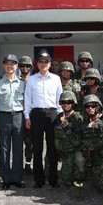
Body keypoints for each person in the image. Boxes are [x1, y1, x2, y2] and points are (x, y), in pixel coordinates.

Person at [24, 49, 63, 188]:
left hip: (52, 114)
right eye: (40, 61)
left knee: (52, 148)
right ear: (37, 63)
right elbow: (27, 100)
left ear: (50, 63)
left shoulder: (56, 79)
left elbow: (60, 99)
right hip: (36, 114)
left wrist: (61, 115)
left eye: (46, 61)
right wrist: (27, 117)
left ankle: (53, 178)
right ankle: (39, 179)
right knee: (37, 148)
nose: (43, 64)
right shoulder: (32, 79)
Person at [72, 95, 103, 200]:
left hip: (102, 155)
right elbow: (78, 138)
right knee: (79, 159)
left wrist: (100, 136)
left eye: (93, 105)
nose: (90, 108)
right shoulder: (83, 121)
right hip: (88, 153)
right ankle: (78, 187)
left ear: (98, 107)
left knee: (101, 189)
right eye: (87, 106)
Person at [0, 55, 25, 189]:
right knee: (4, 149)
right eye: (7, 64)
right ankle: (6, 178)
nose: (10, 66)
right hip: (4, 117)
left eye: (13, 64)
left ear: (17, 66)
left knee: (18, 149)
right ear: (3, 66)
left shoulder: (23, 83)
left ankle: (17, 178)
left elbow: (24, 102)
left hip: (18, 117)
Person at [53, 91, 82, 187]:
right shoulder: (59, 117)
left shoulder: (77, 117)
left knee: (69, 180)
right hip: (63, 150)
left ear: (73, 104)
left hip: (74, 151)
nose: (66, 105)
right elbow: (56, 135)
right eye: (63, 102)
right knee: (65, 179)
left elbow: (78, 141)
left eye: (68, 102)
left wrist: (68, 129)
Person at [18, 56, 34, 175]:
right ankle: (17, 165)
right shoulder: (16, 81)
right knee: (18, 142)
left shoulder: (34, 81)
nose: (25, 68)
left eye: (27, 66)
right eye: (22, 66)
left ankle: (28, 164)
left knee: (30, 142)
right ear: (19, 67)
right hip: (18, 115)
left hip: (31, 115)